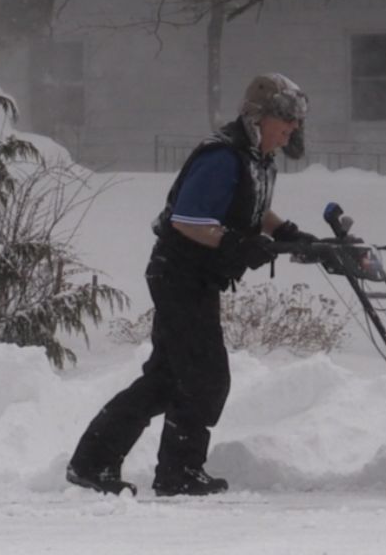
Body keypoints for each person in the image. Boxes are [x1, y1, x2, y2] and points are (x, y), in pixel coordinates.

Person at [66, 73, 317, 497]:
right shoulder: (221, 156)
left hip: (194, 278)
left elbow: (251, 206)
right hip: (179, 275)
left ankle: (93, 462)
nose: (291, 129)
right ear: (259, 117)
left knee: (166, 378)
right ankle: (178, 474)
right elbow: (188, 220)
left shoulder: (253, 158)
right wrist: (238, 243)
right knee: (204, 377)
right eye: (285, 120)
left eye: (295, 122)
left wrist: (286, 232)